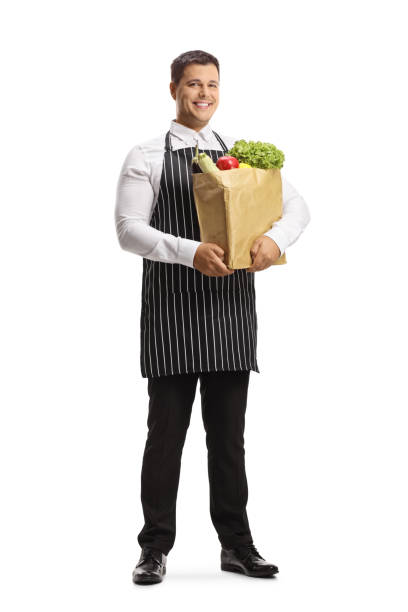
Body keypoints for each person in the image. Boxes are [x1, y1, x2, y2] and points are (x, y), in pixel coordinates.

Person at [114, 50, 311, 585]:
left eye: (212, 85)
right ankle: (154, 548)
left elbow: (296, 207)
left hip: (229, 314)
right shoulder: (148, 154)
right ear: (173, 88)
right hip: (173, 315)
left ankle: (237, 545)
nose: (203, 94)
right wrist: (189, 251)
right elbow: (128, 229)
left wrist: (274, 239)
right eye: (193, 84)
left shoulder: (240, 155)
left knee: (228, 438)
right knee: (166, 435)